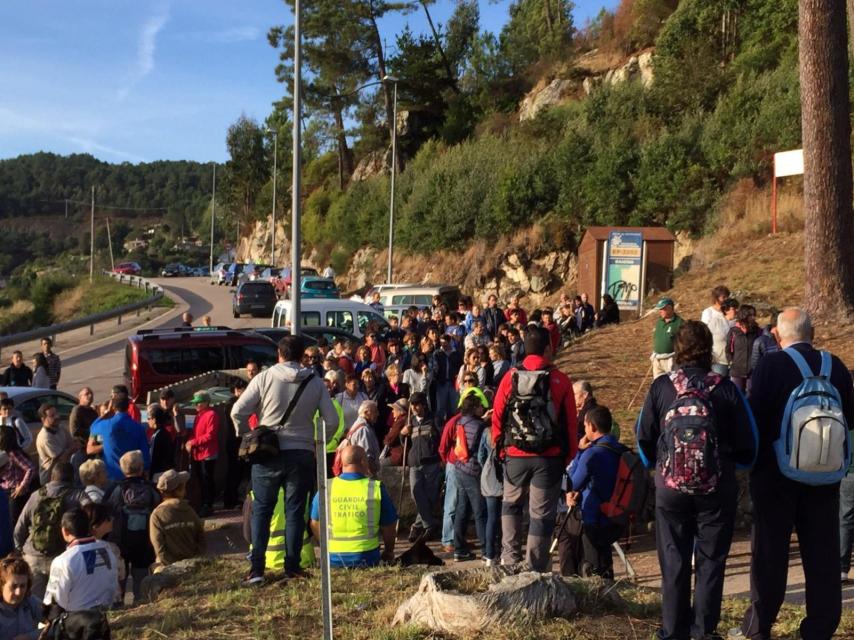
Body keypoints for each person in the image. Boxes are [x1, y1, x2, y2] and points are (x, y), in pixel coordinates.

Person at [728, 308, 854, 640]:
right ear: (812, 333)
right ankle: (820, 627)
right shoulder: (836, 366)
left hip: (775, 476)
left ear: (778, 336)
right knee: (823, 554)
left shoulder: (771, 365)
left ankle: (759, 626)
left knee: (770, 553)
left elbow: (754, 418)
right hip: (825, 477)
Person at [636, 320, 756, 640]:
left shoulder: (662, 386)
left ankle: (673, 631)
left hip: (670, 489)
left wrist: (658, 467)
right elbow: (749, 444)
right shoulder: (726, 387)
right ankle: (703, 631)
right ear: (709, 349)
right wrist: (733, 463)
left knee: (673, 561)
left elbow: (644, 438)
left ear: (678, 349)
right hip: (716, 488)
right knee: (711, 561)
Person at [231, 335, 338, 586]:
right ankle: (292, 566)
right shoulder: (314, 381)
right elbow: (331, 420)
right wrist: (316, 442)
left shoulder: (265, 377)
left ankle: (257, 568)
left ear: (279, 354)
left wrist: (247, 435)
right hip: (300, 453)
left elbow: (238, 411)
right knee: (295, 511)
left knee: (262, 510)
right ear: (303, 356)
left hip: (267, 452)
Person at [492, 326, 577, 572]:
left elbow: (497, 416)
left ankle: (509, 560)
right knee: (541, 514)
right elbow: (571, 423)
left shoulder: (510, 377)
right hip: (548, 458)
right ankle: (536, 568)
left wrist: (501, 449)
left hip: (514, 455)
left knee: (511, 504)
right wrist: (568, 455)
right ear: (548, 348)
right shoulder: (560, 379)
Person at [310, 445, 398, 568]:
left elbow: (315, 523)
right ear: (363, 462)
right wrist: (389, 552)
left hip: (333, 558)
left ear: (342, 463)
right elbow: (389, 525)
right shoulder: (375, 488)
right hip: (367, 559)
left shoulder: (326, 488)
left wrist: (326, 548)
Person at [565, 405, 623, 578]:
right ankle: (609, 593)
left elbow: (572, 482)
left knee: (593, 565)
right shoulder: (619, 449)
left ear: (592, 426)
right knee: (606, 562)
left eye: (584, 425)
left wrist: (579, 453)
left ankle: (600, 599)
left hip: (593, 515)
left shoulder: (592, 454)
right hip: (615, 513)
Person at [14, 463, 83, 599]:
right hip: (60, 556)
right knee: (57, 601)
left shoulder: (36, 495)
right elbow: (93, 510)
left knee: (35, 602)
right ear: (72, 478)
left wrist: (20, 550)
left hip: (32, 556)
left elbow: (20, 527)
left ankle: (38, 621)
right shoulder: (77, 495)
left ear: (52, 477)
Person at [43, 508, 118, 616]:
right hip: (107, 616)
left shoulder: (63, 561)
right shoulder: (108, 550)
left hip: (77, 623)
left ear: (64, 531)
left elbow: (53, 604)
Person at [107, 450, 159, 603]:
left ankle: (119, 604)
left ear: (122, 469)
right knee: (141, 579)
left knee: (119, 579)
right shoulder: (151, 489)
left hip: (121, 541)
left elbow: (106, 511)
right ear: (141, 468)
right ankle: (140, 604)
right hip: (144, 541)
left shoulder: (116, 489)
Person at [450, 395, 489, 563]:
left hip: (459, 467)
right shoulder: (480, 426)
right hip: (472, 470)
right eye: (480, 406)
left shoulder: (461, 421)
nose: (483, 409)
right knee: (480, 511)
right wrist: (486, 422)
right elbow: (480, 450)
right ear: (474, 408)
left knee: (462, 508)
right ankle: (487, 549)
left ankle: (459, 549)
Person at [400, 392, 441, 542]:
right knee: (416, 493)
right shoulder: (410, 421)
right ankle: (429, 525)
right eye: (412, 404)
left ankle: (417, 527)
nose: (415, 407)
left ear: (424, 404)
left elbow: (441, 439)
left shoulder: (434, 419)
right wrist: (402, 433)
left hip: (431, 462)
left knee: (429, 497)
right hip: (414, 463)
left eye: (417, 404)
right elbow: (404, 443)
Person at [149, 470, 206, 568]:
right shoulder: (189, 510)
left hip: (169, 566)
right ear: (180, 491)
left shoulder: (157, 515)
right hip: (192, 562)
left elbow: (158, 546)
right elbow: (201, 536)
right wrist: (197, 558)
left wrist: (171, 565)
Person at [88, 394, 149, 483]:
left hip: (112, 477)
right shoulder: (138, 428)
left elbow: (93, 427)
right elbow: (145, 456)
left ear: (113, 407)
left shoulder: (106, 425)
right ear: (128, 406)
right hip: (133, 478)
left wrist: (106, 414)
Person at [184, 392, 220, 517]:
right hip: (198, 453)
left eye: (199, 402)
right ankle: (204, 503)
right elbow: (195, 433)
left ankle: (208, 504)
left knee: (207, 479)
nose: (196, 405)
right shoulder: (199, 415)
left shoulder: (212, 414)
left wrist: (193, 442)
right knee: (201, 479)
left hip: (208, 453)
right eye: (196, 402)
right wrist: (190, 442)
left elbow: (210, 435)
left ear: (206, 402)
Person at [335, 401, 382, 476]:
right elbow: (367, 455)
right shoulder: (363, 429)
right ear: (366, 412)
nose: (378, 414)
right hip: (364, 474)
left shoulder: (359, 425)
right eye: (375, 411)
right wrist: (372, 474)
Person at [0, 555, 41, 640]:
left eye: (22, 586)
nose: (18, 593)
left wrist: (30, 636)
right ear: (1, 585)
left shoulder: (30, 602)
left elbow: (58, 624)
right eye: (13, 586)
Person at [36, 404, 77, 486]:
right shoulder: (45, 437)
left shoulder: (60, 428)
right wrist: (71, 449)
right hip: (51, 479)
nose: (57, 417)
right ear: (43, 419)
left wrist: (71, 449)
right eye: (52, 415)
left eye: (56, 413)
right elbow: (62, 457)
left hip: (64, 473)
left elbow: (73, 444)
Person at [726, 304, 760, 393]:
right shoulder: (733, 331)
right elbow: (728, 349)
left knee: (752, 393)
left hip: (752, 371)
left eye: (754, 315)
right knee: (737, 394)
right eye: (751, 315)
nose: (753, 318)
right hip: (737, 371)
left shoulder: (757, 331)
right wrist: (731, 362)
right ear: (744, 316)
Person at [701, 285, 732, 376]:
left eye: (727, 296)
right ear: (716, 298)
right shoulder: (708, 313)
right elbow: (704, 333)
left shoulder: (729, 312)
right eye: (723, 297)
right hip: (717, 359)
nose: (726, 299)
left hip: (731, 359)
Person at [651, 297, 685, 378]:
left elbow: (684, 342)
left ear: (670, 308)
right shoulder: (659, 322)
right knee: (658, 383)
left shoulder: (680, 323)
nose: (660, 311)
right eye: (659, 309)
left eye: (662, 309)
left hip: (671, 360)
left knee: (673, 382)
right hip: (657, 359)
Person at [148, 404, 176, 479]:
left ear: (154, 420)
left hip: (159, 474)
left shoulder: (157, 435)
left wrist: (150, 475)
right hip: (167, 470)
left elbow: (153, 457)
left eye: (149, 418)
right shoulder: (165, 433)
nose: (148, 421)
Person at [69, 387, 98, 453]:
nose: (90, 395)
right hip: (83, 447)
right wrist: (91, 432)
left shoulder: (93, 411)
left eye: (91, 394)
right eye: (87, 394)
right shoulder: (77, 410)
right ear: (80, 397)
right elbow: (74, 431)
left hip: (94, 443)